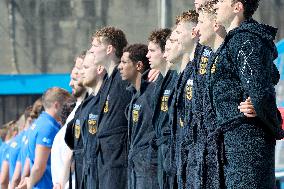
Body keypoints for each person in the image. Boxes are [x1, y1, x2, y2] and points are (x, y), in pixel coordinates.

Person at [199, 0, 284, 187]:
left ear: (237, 7)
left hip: (247, 143)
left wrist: (275, 124)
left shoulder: (245, 39)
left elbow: (259, 91)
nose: (216, 4)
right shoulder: (234, 40)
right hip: (233, 141)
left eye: (222, 1)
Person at [88, 26, 131, 189]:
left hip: (118, 163)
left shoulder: (124, 77)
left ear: (109, 49)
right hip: (106, 161)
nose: (91, 50)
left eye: (95, 46)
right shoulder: (108, 81)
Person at [18, 87, 74, 189]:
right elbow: (39, 166)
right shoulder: (47, 127)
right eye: (64, 105)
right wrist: (30, 185)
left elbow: (29, 160)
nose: (67, 109)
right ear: (56, 105)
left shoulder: (39, 123)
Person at [118, 43, 157, 188]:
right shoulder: (135, 95)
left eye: (124, 62)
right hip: (136, 167)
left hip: (149, 167)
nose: (119, 67)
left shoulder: (153, 92)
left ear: (139, 65)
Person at [146, 28, 178, 189]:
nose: (147, 55)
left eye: (152, 50)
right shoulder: (158, 81)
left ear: (165, 50)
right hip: (161, 154)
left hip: (172, 151)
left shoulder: (177, 77)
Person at [52, 51, 87, 189]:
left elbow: (70, 155)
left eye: (79, 68)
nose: (70, 83)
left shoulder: (83, 111)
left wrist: (60, 182)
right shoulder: (76, 111)